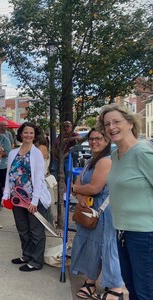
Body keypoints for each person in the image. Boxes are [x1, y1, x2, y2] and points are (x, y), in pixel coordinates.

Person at [97, 104, 153, 300]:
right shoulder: (115, 155)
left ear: (130, 123)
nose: (111, 127)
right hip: (122, 231)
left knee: (146, 291)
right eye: (107, 124)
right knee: (132, 287)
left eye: (116, 121)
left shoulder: (142, 152)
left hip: (145, 234)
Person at [70, 128, 123, 300]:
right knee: (92, 247)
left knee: (106, 247)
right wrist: (79, 193)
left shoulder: (106, 161)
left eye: (99, 138)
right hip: (89, 211)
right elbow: (78, 183)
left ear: (107, 141)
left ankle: (116, 289)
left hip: (103, 212)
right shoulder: (92, 160)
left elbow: (95, 188)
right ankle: (91, 282)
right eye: (92, 138)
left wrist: (77, 190)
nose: (94, 142)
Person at [3, 122, 51, 272]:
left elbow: (39, 178)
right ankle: (27, 255)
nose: (28, 135)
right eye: (26, 132)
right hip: (17, 198)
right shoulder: (13, 153)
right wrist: (6, 194)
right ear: (21, 134)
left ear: (34, 135)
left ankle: (36, 261)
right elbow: (9, 174)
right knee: (22, 229)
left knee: (36, 231)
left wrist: (35, 201)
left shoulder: (37, 153)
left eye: (31, 133)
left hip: (32, 200)